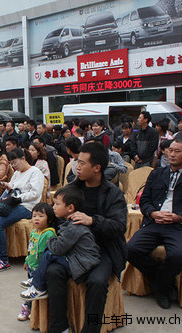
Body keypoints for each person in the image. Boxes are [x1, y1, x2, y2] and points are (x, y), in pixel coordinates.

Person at [46, 141, 127, 333]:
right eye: (77, 162)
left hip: (103, 249)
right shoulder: (74, 188)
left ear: (97, 167)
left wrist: (93, 221)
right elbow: (58, 218)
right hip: (73, 247)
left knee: (97, 282)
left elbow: (119, 226)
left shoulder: (113, 193)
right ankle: (59, 328)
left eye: (82, 163)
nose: (77, 166)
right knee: (53, 272)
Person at [127, 139, 182, 309]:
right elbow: (145, 200)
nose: (172, 154)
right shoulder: (157, 174)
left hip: (180, 226)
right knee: (130, 249)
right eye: (170, 150)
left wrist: (178, 217)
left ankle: (161, 288)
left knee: (178, 255)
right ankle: (162, 282)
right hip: (155, 222)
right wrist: (152, 213)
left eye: (177, 151)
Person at [19, 187, 100, 320]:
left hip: (82, 264)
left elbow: (57, 249)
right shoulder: (70, 222)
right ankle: (36, 281)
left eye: (57, 204)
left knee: (50, 254)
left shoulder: (74, 226)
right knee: (50, 254)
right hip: (78, 259)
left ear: (70, 208)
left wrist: (50, 238)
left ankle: (38, 286)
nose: (53, 207)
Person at [0, 148, 44, 272]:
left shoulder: (35, 172)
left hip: (26, 206)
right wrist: (7, 187)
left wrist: (18, 198)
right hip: (11, 203)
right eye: (12, 163)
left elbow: (35, 194)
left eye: (15, 162)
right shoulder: (17, 173)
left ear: (23, 158)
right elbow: (12, 188)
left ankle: (3, 259)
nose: (14, 166)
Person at [17, 202, 57, 321]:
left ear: (49, 219)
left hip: (40, 269)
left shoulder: (49, 233)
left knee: (36, 290)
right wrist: (26, 261)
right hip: (31, 266)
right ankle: (28, 309)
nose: (36, 219)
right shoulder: (34, 232)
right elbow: (30, 247)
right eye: (34, 216)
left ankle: (31, 310)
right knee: (29, 290)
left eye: (41, 216)